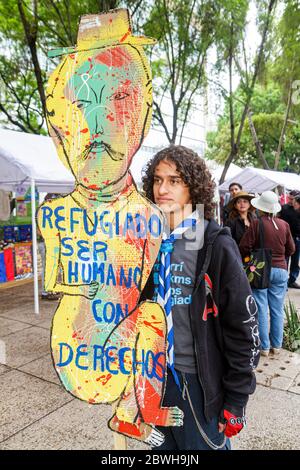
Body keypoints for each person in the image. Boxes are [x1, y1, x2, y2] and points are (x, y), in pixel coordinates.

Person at [37, 9, 184, 447]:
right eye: (82, 103)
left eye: (119, 100)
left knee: (154, 316)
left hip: (122, 359)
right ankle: (140, 411)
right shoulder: (56, 215)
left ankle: (135, 413)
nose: (99, 122)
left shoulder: (149, 218)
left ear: (141, 114)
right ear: (59, 122)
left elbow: (150, 289)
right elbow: (63, 286)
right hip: (77, 354)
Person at [141, 145, 260, 451]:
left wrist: (236, 398)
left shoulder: (214, 244)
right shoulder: (148, 242)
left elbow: (243, 326)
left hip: (199, 384)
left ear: (193, 187)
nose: (162, 189)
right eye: (157, 180)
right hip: (155, 379)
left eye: (174, 180)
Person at [240, 191, 295, 357]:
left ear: (261, 208)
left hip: (261, 270)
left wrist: (252, 255)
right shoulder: (284, 225)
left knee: (262, 309)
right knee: (277, 310)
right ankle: (276, 346)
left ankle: (264, 347)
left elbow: (243, 245)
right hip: (281, 270)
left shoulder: (257, 223)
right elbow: (291, 249)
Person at [280, 190, 300, 289]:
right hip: (286, 238)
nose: (291, 201)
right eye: (290, 199)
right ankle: (283, 282)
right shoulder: (283, 208)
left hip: (297, 238)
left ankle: (292, 280)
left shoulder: (298, 209)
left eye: (293, 200)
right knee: (285, 260)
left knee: (295, 261)